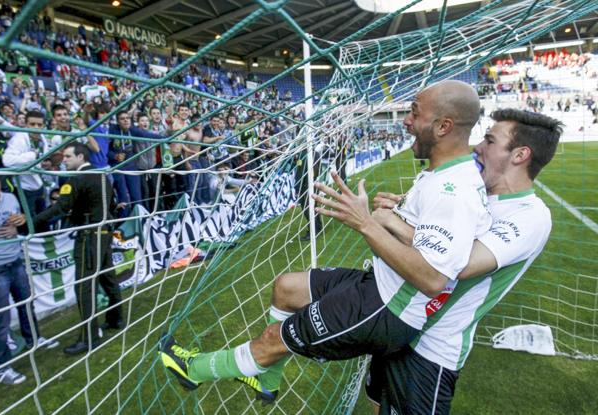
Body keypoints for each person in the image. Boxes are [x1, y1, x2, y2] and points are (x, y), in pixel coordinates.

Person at [158, 80, 491, 404]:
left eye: (414, 114)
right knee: (287, 287)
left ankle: (193, 370)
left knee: (275, 340)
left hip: (388, 309)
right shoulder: (440, 176)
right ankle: (267, 378)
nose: (405, 120)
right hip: (380, 284)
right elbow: (432, 243)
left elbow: (433, 278)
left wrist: (365, 223)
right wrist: (394, 218)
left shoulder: (454, 191)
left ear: (443, 126)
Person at [366, 109, 562, 415]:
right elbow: (427, 232)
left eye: (489, 140)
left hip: (431, 350)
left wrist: (393, 223)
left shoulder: (530, 216)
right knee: (378, 405)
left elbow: (457, 264)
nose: (477, 147)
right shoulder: (471, 190)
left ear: (520, 154)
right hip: (398, 321)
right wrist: (402, 209)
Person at [33, 143, 123, 355]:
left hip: (89, 236)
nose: (64, 160)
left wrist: (29, 222)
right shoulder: (102, 176)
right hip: (104, 232)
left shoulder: (77, 179)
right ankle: (115, 318)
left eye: (67, 156)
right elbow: (112, 204)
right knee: (108, 278)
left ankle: (89, 337)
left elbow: (60, 207)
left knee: (84, 287)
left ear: (81, 157)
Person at [0, 174, 59, 385]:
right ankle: (1, 369)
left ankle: (34, 340)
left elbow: (22, 221)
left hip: (15, 261)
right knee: (0, 320)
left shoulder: (10, 198)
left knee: (26, 304)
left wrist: (20, 222)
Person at [2, 110, 49, 218]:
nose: (36, 127)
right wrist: (32, 155)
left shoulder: (43, 139)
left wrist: (44, 164)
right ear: (26, 124)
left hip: (38, 185)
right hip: (24, 188)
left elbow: (40, 159)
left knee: (41, 217)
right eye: (32, 124)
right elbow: (7, 161)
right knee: (29, 221)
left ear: (43, 126)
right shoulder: (19, 138)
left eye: (39, 124)